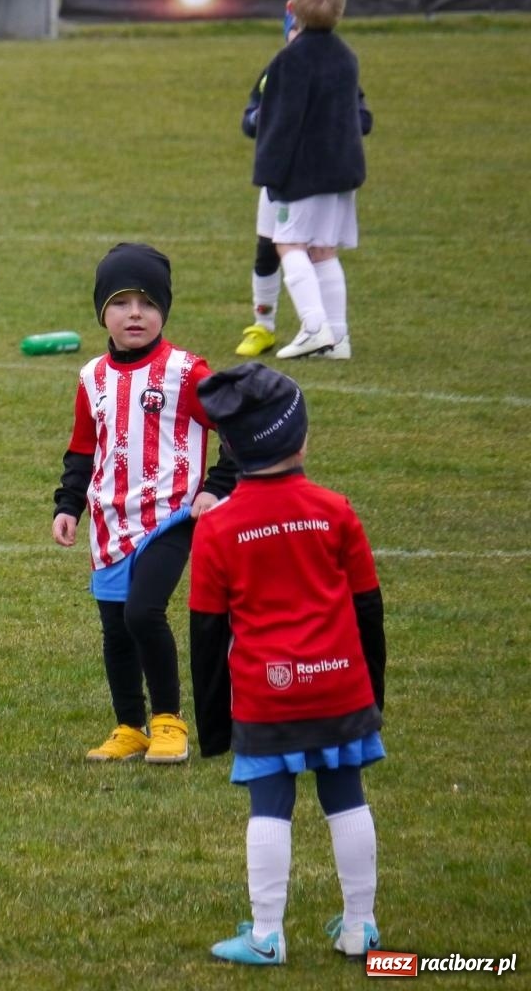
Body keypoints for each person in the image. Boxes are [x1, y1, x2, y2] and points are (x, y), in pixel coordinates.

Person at [189, 363, 386, 965]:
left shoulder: (217, 528)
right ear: (299, 437)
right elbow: (368, 610)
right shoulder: (335, 509)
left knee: (269, 806)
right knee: (346, 798)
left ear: (232, 448)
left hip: (266, 695)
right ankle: (361, 928)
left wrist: (214, 726)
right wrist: (371, 695)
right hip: (341, 691)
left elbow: (206, 632)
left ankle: (268, 935)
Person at [51, 243, 235, 764]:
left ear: (164, 311)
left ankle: (169, 723)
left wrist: (217, 486)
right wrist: (69, 503)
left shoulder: (186, 371)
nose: (135, 314)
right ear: (101, 312)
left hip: (171, 517)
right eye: (122, 302)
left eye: (148, 303)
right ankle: (129, 726)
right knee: (115, 628)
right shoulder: (92, 378)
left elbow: (237, 429)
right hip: (110, 521)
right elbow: (84, 446)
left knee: (143, 612)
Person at [235, 4, 373, 359]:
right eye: (290, 29)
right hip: (293, 174)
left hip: (298, 174)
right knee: (270, 249)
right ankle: (265, 327)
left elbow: (361, 115)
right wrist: (259, 120)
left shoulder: (316, 64)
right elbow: (253, 117)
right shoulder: (285, 67)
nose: (294, 36)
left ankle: (317, 328)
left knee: (297, 246)